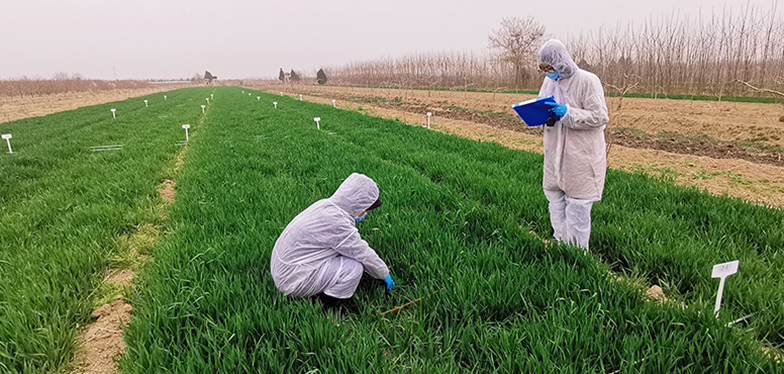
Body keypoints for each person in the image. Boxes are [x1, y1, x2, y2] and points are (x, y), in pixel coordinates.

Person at [270, 173, 395, 306]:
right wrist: (384, 273)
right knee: (354, 268)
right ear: (358, 205)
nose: (366, 213)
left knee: (344, 254)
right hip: (293, 280)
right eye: (366, 210)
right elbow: (362, 253)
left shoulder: (325, 205)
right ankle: (327, 304)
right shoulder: (337, 222)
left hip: (283, 269)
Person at [536, 39, 609, 251]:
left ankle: (577, 255)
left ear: (561, 61)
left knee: (578, 206)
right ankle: (561, 247)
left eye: (549, 67)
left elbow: (600, 116)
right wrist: (538, 115)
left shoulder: (587, 81)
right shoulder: (549, 82)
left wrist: (568, 113)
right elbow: (542, 105)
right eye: (543, 69)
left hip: (580, 156)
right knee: (556, 203)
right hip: (554, 154)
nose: (547, 72)